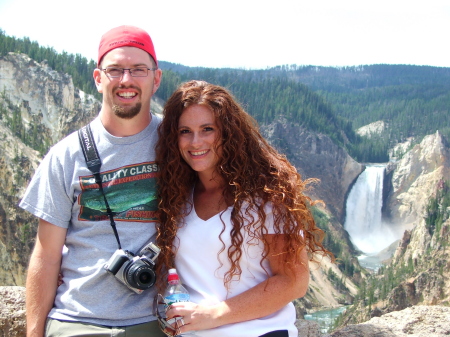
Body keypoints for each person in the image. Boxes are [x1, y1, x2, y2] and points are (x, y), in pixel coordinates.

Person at [154, 80, 334, 337]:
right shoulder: (178, 196)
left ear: (228, 132)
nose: (195, 142)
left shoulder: (266, 196)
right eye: (185, 131)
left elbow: (293, 282)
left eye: (207, 129)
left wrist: (212, 315)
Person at [20, 25, 165, 337]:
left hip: (157, 323)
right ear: (99, 79)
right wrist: (34, 332)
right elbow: (46, 255)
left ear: (156, 79)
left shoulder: (182, 144)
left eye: (139, 69)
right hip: (76, 321)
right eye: (115, 70)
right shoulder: (65, 156)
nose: (126, 80)